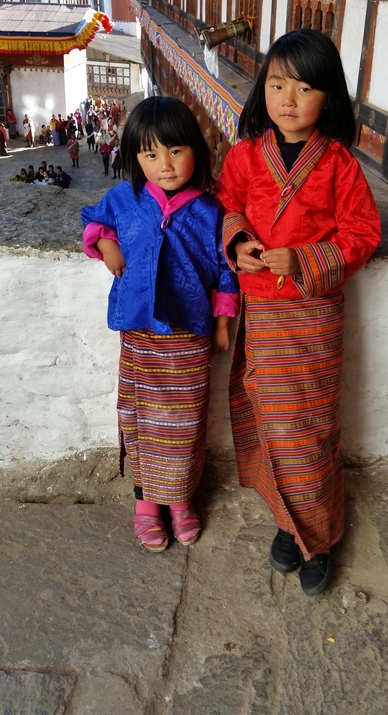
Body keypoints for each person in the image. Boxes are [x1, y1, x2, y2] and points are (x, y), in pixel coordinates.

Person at [216, 29, 382, 598]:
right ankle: (290, 525)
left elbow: (362, 233)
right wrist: (238, 242)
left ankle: (320, 538)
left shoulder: (339, 166)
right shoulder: (244, 156)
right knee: (274, 426)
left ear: (328, 97)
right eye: (277, 84)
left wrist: (304, 258)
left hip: (313, 321)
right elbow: (227, 204)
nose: (287, 99)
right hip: (262, 316)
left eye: (305, 87)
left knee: (310, 432)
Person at [81, 96, 239, 552]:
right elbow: (93, 219)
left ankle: (180, 500)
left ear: (195, 151)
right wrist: (106, 244)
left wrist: (223, 323)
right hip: (140, 332)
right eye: (150, 154)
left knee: (184, 423)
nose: (164, 165)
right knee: (141, 418)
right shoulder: (124, 199)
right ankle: (147, 504)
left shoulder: (210, 212)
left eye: (175, 151)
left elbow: (225, 271)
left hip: (189, 334)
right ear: (135, 158)